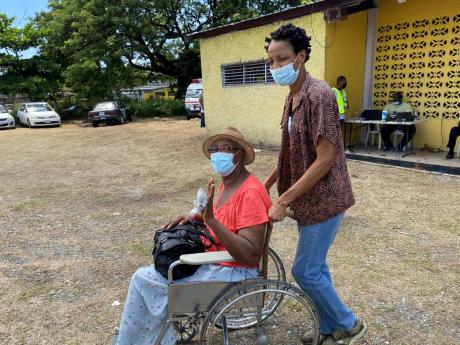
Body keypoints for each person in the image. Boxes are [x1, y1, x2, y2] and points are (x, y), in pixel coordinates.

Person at [115, 127, 271, 345]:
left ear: (239, 154)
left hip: (234, 273)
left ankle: (138, 339)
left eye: (225, 149)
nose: (218, 154)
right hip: (217, 262)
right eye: (215, 150)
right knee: (156, 267)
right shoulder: (230, 184)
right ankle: (140, 336)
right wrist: (197, 218)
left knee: (142, 278)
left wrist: (212, 221)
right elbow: (224, 224)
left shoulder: (250, 192)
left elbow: (251, 255)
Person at [264, 24, 366, 345]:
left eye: (283, 59)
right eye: (272, 61)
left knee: (304, 271)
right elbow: (291, 151)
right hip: (307, 201)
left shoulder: (319, 96)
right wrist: (266, 183)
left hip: (326, 200)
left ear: (301, 56)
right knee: (317, 268)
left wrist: (283, 201)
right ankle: (326, 328)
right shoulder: (292, 96)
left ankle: (349, 325)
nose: (276, 67)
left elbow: (324, 159)